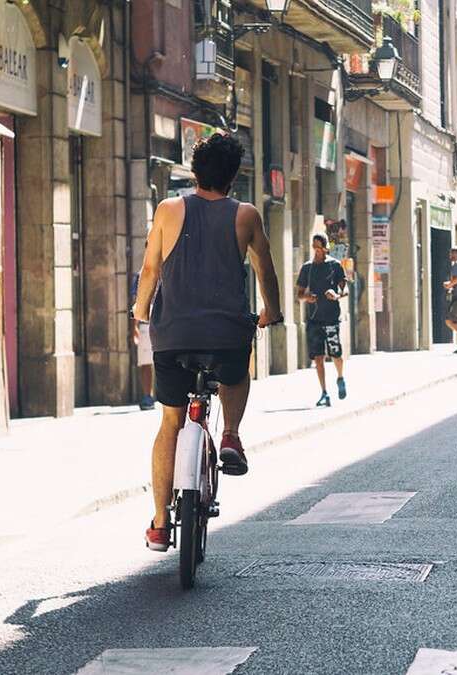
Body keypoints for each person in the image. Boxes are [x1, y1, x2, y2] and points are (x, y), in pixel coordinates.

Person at [132, 133, 282, 552]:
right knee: (237, 370)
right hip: (225, 333)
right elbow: (264, 270)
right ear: (233, 176)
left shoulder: (167, 210)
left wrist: (140, 311)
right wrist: (272, 310)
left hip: (172, 335)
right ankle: (231, 434)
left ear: (194, 171)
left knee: (170, 423)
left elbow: (150, 270)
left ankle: (160, 523)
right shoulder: (246, 215)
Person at [297, 234, 348, 407]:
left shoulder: (334, 266)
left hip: (331, 317)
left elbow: (345, 288)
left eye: (319, 248)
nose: (317, 251)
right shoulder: (307, 268)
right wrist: (306, 297)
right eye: (314, 248)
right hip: (314, 319)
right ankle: (324, 392)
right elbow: (299, 294)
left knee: (335, 353)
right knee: (318, 357)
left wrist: (337, 294)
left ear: (326, 248)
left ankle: (340, 378)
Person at [131, 273, 156, 410]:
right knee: (146, 362)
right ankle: (148, 396)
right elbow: (137, 301)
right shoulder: (140, 275)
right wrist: (134, 326)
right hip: (147, 323)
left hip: (163, 322)